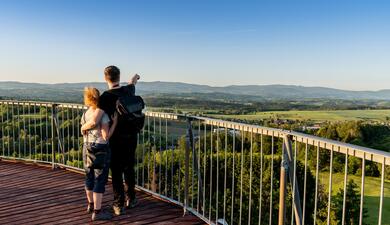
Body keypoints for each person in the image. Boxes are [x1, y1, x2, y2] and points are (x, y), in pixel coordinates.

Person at [81, 66, 140, 216]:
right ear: (119, 76)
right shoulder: (128, 90)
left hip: (115, 139)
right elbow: (132, 83)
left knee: (117, 171)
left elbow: (95, 121)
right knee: (129, 167)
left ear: (105, 78)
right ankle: (131, 198)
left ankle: (118, 204)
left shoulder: (106, 97)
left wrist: (83, 127)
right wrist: (135, 78)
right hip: (131, 137)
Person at [81, 87, 118, 221]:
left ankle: (90, 205)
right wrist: (114, 123)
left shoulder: (86, 114)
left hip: (87, 146)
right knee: (100, 180)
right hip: (100, 148)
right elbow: (106, 136)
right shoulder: (103, 115)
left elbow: (83, 131)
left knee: (89, 176)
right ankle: (97, 212)